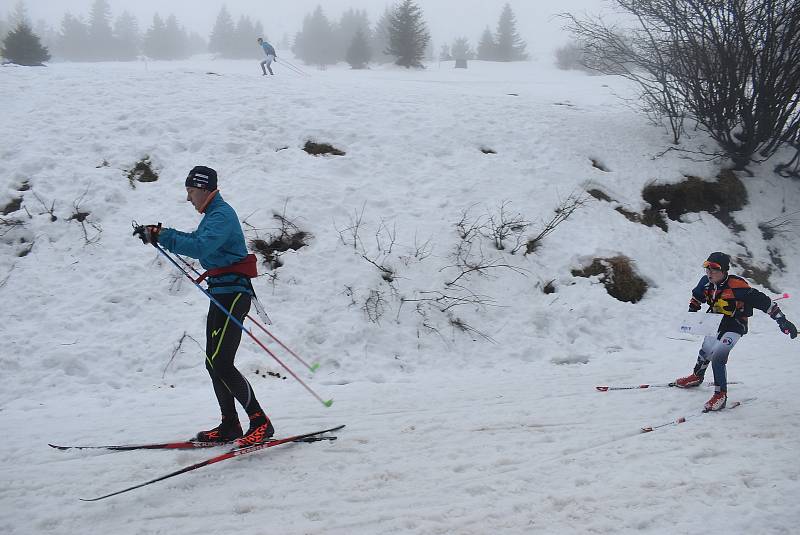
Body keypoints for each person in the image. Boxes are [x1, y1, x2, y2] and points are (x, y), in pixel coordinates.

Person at [134, 166, 274, 447]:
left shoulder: (221, 215)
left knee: (222, 362)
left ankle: (261, 423)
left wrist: (162, 235)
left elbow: (200, 247)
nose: (189, 198)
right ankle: (230, 425)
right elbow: (198, 243)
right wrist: (161, 235)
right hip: (221, 293)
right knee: (213, 363)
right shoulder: (213, 215)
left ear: (204, 189)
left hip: (233, 294)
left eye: (191, 191)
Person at [674, 252, 797, 411]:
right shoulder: (706, 282)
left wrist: (783, 321)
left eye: (714, 268)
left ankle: (720, 395)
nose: (709, 272)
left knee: (718, 355)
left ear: (724, 270)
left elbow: (765, 303)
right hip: (715, 322)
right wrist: (692, 312)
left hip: (735, 325)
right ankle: (697, 376)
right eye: (707, 267)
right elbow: (697, 297)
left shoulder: (738, 286)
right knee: (706, 350)